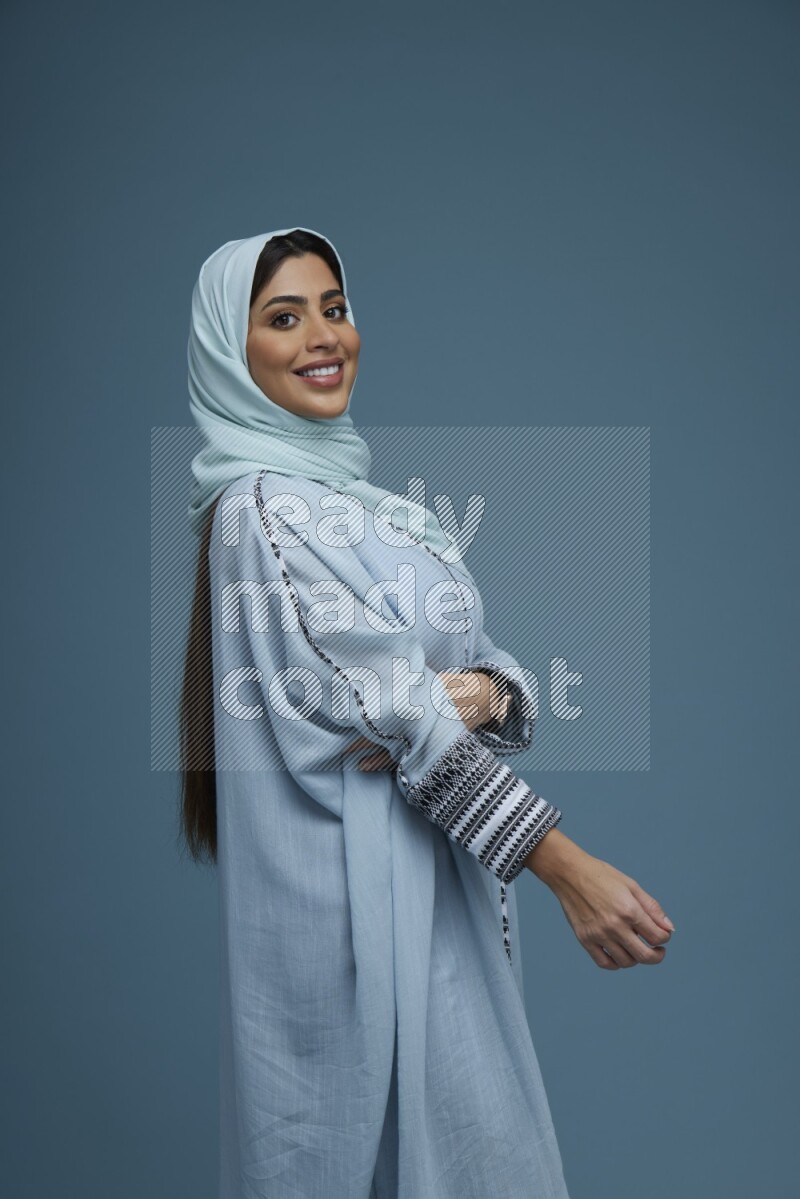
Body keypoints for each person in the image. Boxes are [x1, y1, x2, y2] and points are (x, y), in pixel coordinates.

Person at [179, 226, 674, 1199]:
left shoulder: (353, 501)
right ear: (228, 353)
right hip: (355, 928)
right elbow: (410, 717)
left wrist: (492, 692)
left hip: (433, 894)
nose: (325, 335)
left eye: (335, 307)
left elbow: (465, 670)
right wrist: (565, 869)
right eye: (283, 317)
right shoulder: (262, 510)